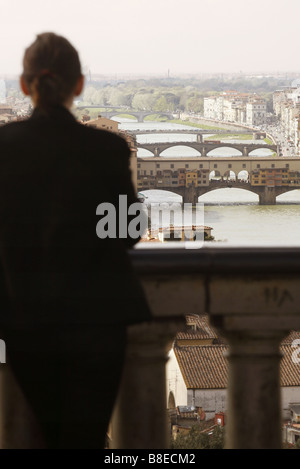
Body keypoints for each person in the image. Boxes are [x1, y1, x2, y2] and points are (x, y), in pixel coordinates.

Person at [0, 32, 152, 449]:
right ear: (79, 84)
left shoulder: (4, 148)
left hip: (26, 321)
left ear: (24, 85)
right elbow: (129, 230)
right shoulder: (106, 149)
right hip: (98, 321)